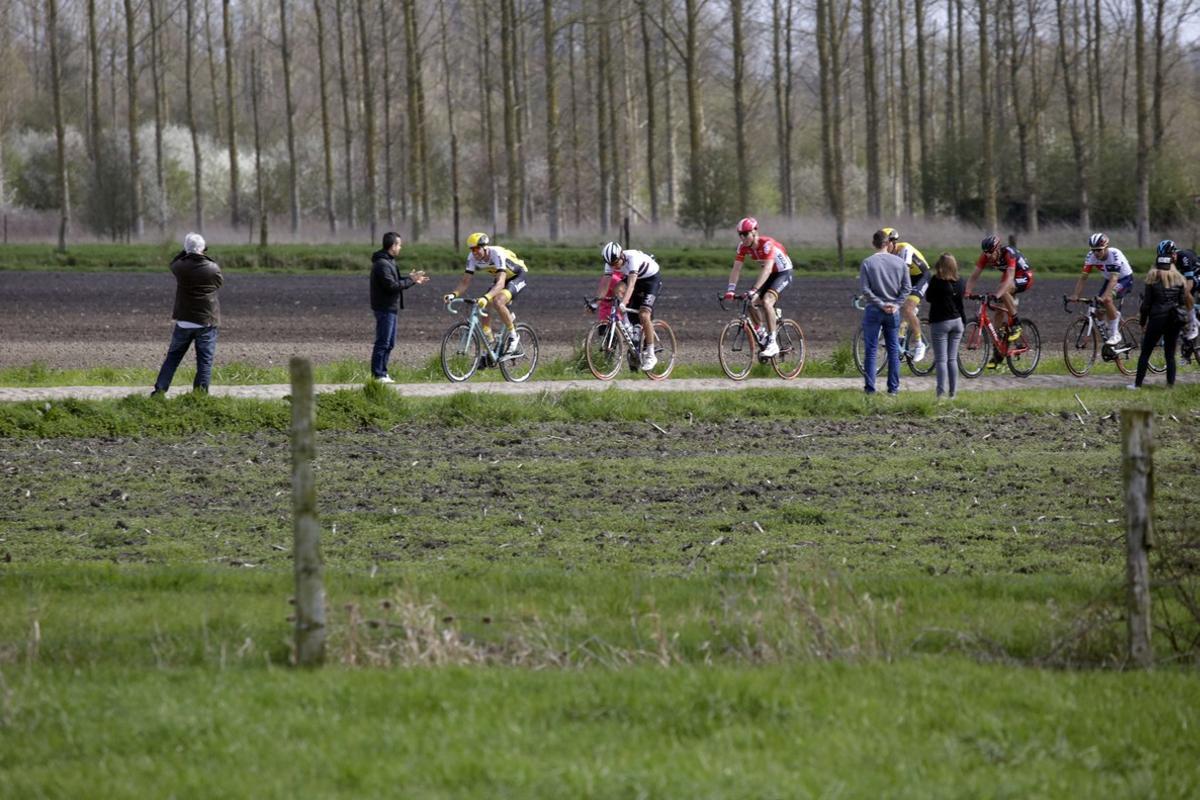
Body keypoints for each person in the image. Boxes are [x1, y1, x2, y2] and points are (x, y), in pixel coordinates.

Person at [151, 232, 223, 396]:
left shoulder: (180, 267)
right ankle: (200, 395)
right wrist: (204, 255)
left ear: (186, 250)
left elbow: (173, 263)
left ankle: (160, 390)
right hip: (206, 321)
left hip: (184, 321)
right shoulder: (212, 268)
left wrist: (185, 251)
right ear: (203, 248)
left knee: (173, 357)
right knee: (204, 361)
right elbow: (219, 283)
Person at [444, 232, 529, 355]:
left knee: (497, 301)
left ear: (485, 247)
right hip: (502, 278)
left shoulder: (496, 253)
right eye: (472, 249)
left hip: (517, 276)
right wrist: (453, 294)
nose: (474, 252)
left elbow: (500, 283)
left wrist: (487, 296)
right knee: (482, 304)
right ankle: (488, 340)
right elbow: (465, 281)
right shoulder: (472, 257)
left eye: (477, 248)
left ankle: (513, 336)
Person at [723, 217, 794, 358]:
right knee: (748, 301)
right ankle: (762, 334)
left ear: (754, 232)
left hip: (782, 273)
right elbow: (736, 269)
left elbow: (767, 269)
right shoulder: (742, 247)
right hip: (769, 275)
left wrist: (754, 289)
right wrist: (730, 290)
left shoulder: (766, 244)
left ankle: (773, 343)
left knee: (767, 301)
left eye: (746, 234)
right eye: (740, 235)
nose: (743, 238)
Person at [965, 234, 1034, 365]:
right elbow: (974, 276)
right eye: (985, 253)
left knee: (1002, 291)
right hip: (1009, 277)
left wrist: (997, 294)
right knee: (998, 312)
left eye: (990, 253)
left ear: (997, 249)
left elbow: (1009, 278)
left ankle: (1016, 323)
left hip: (1024, 276)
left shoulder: (1009, 253)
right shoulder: (985, 256)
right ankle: (998, 352)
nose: (988, 256)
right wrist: (967, 292)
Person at [369, 231, 428, 383]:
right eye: (399, 244)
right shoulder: (382, 264)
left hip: (391, 308)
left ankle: (383, 373)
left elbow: (396, 280)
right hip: (384, 308)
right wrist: (411, 281)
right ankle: (378, 375)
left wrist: (412, 279)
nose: (400, 247)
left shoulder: (389, 262)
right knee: (383, 342)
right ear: (393, 245)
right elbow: (392, 286)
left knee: (390, 343)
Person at [858, 229, 911, 395]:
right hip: (893, 312)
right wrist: (896, 304)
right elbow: (907, 287)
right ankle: (893, 389)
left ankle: (870, 389)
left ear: (874, 244)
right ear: (888, 243)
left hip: (874, 310)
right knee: (893, 350)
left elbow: (865, 290)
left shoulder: (867, 263)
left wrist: (881, 304)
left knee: (871, 350)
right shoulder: (900, 263)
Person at [597, 241, 662, 371]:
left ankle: (650, 354)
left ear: (621, 255)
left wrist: (624, 303)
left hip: (650, 280)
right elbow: (605, 284)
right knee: (617, 289)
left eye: (615, 263)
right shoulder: (611, 261)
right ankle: (628, 323)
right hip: (636, 279)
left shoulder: (632, 258)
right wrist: (597, 302)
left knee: (643, 314)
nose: (614, 266)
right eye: (611, 264)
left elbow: (631, 285)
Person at [1130, 249, 1188, 389]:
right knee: (1170, 354)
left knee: (1146, 352)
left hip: (1157, 318)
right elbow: (1182, 303)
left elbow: (1146, 306)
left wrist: (1143, 322)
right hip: (1174, 320)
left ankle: (1137, 385)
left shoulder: (1152, 278)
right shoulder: (1180, 279)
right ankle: (1170, 386)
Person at [1068, 232, 1134, 346]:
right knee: (1098, 310)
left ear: (1106, 247)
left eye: (1099, 250)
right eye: (1093, 250)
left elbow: (1114, 278)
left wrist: (1105, 296)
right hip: (1109, 280)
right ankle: (1109, 330)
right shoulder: (1091, 256)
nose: (1096, 253)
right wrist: (1075, 295)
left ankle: (1115, 334)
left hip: (1124, 279)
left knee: (1107, 299)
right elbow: (1083, 277)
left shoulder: (1115, 254)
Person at [882, 227, 931, 362]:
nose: (884, 247)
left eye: (887, 244)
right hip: (908, 279)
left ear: (893, 242)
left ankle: (919, 344)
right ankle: (900, 336)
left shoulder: (905, 249)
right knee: (894, 305)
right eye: (883, 245)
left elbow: (902, 273)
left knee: (908, 308)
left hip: (921, 277)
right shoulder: (887, 254)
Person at [925, 253, 967, 400]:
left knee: (941, 360)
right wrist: (964, 321)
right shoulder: (961, 280)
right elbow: (960, 303)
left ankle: (940, 395)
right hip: (957, 322)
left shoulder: (936, 281)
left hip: (940, 322)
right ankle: (953, 394)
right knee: (952, 359)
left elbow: (928, 297)